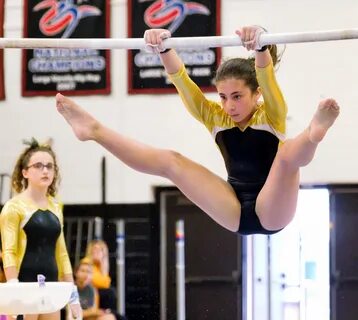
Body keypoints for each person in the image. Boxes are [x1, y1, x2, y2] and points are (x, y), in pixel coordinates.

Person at [55, 25, 339, 236]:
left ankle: (313, 133)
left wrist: (260, 44)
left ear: (257, 95)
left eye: (237, 96)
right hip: (233, 208)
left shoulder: (271, 114)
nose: (229, 106)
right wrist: (163, 48)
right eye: (223, 97)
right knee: (171, 161)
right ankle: (94, 130)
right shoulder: (214, 117)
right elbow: (182, 81)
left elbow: (266, 76)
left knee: (287, 153)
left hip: (272, 211)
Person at [0, 138, 82, 320]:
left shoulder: (55, 207)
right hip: (24, 285)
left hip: (50, 287)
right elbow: (9, 251)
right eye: (38, 165)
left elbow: (61, 253)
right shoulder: (14, 207)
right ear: (25, 172)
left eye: (49, 166)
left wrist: (73, 295)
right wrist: (14, 287)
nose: (45, 170)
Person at [84, 240, 117, 313]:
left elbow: (105, 283)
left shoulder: (101, 266)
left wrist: (102, 265)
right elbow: (101, 283)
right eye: (95, 249)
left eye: (100, 250)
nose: (97, 252)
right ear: (90, 251)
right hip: (88, 297)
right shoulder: (86, 262)